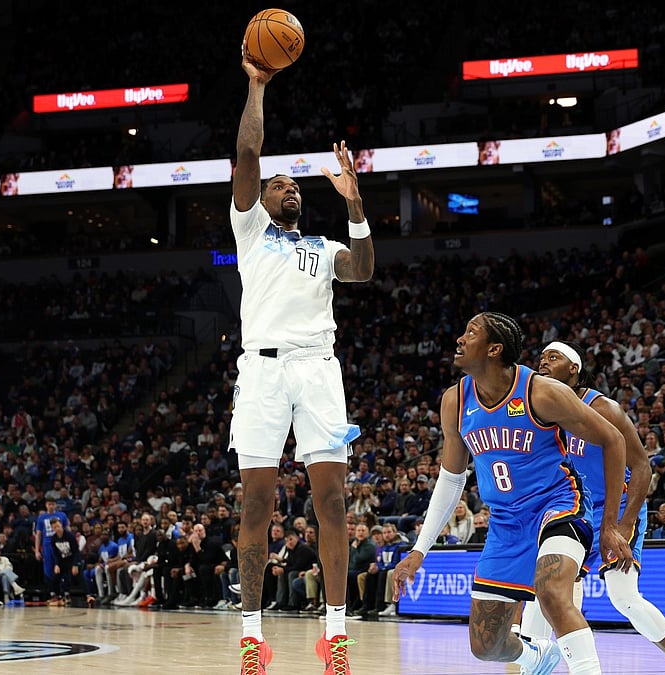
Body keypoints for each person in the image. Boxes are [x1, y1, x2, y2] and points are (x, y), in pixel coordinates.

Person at [232, 39, 375, 675]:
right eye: (277, 183)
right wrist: (259, 85)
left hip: (318, 368)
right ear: (259, 200)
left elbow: (365, 270)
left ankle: (335, 636)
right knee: (256, 507)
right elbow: (248, 153)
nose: (286, 185)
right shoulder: (249, 234)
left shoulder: (321, 247)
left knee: (334, 502)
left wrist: (354, 204)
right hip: (261, 370)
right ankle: (252, 639)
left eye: (293, 184)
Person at [394, 313, 632, 675]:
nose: (459, 339)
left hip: (558, 505)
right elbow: (450, 479)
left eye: (470, 332)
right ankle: (536, 657)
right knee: (486, 647)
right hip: (505, 523)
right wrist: (419, 549)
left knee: (551, 591)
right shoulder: (454, 401)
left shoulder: (543, 392)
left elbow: (613, 440)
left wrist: (611, 523)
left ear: (494, 349)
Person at [523, 341, 665, 675]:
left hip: (617, 506)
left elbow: (643, 468)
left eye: (553, 357)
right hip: (574, 510)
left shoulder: (602, 408)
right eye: (540, 358)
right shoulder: (544, 414)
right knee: (547, 591)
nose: (543, 363)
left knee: (624, 598)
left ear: (573, 369)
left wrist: (622, 526)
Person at [34, 497, 69, 595]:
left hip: (60, 544)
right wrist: (37, 550)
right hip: (47, 545)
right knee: (49, 569)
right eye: (49, 504)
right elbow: (38, 534)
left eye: (53, 504)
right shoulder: (41, 517)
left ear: (55, 505)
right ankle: (52, 592)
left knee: (62, 567)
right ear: (46, 505)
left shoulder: (62, 515)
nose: (51, 506)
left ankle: (64, 591)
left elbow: (67, 530)